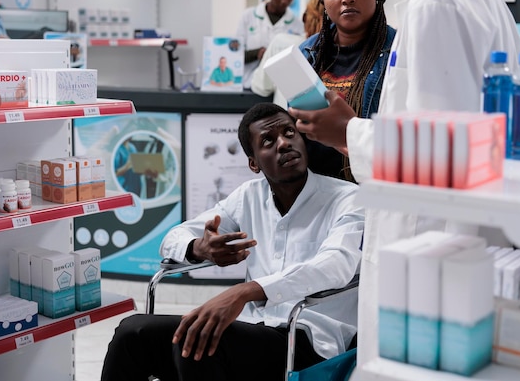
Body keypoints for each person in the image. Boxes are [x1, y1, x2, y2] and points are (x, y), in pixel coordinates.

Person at [288, 0, 520, 367]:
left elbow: (442, 150)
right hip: (449, 238)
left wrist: (348, 133)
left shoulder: (437, 2)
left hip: (432, 244)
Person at [100, 103, 364, 381]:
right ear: (254, 162)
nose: (284, 143)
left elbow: (336, 265)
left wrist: (245, 291)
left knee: (201, 345)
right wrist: (198, 248)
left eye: (289, 133)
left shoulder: (347, 198)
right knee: (131, 334)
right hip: (253, 329)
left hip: (309, 339)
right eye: (268, 140)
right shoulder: (248, 197)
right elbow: (173, 238)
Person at [300, 0, 397, 182]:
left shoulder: (399, 50)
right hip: (314, 192)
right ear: (323, 1)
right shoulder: (305, 53)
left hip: (369, 191)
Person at [236, 0, 304, 89]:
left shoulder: (298, 26)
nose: (284, 1)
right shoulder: (248, 17)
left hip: (281, 90)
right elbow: (234, 55)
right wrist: (257, 53)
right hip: (249, 86)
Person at [251, 0, 325, 107]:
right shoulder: (343, 50)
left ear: (304, 18)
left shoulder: (281, 43)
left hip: (287, 121)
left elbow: (261, 87)